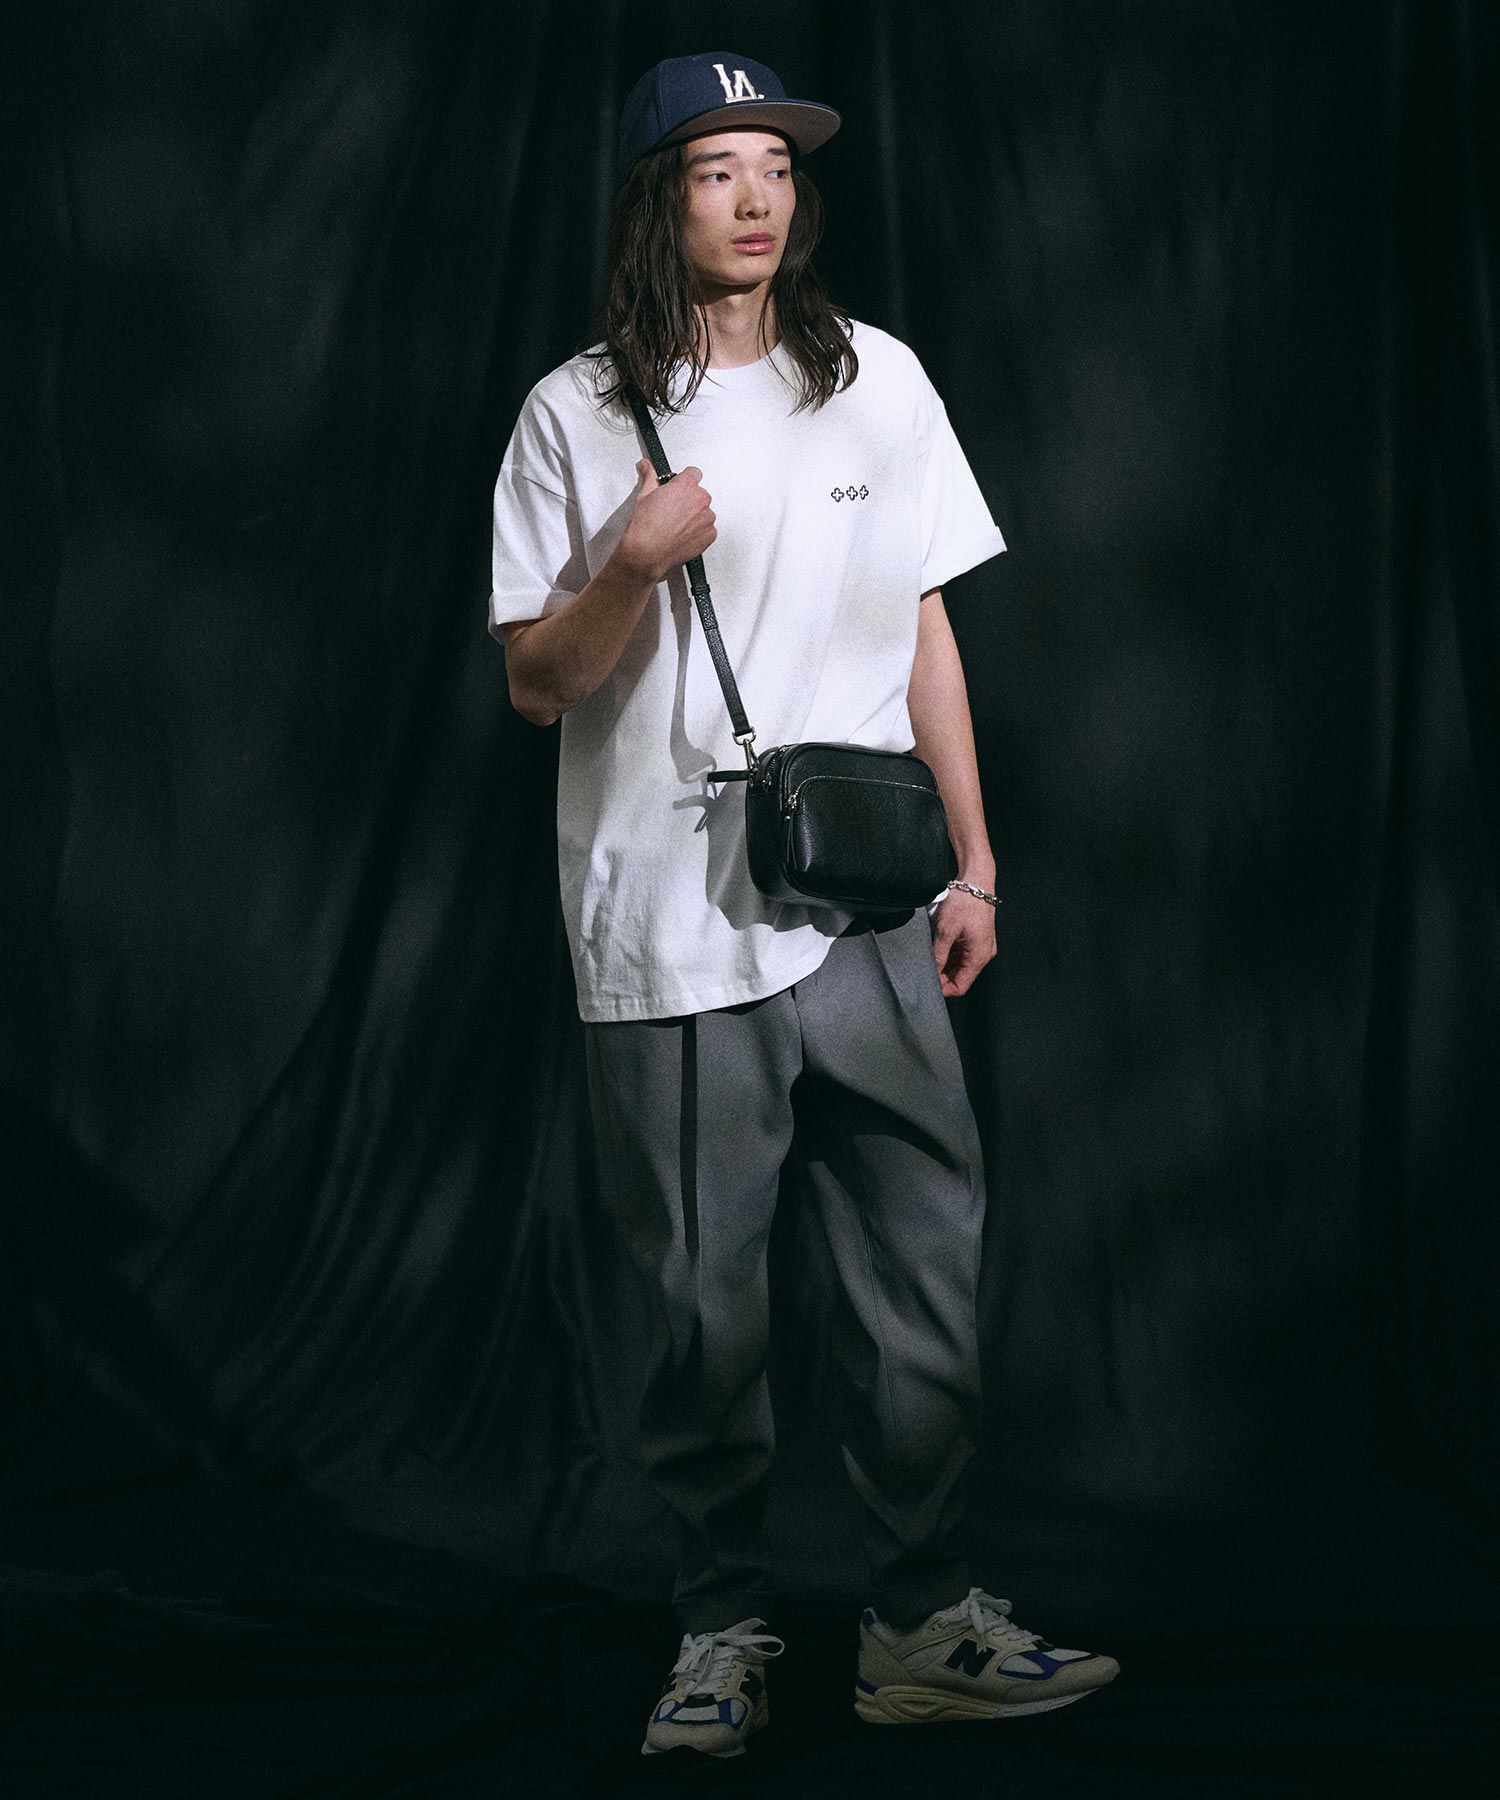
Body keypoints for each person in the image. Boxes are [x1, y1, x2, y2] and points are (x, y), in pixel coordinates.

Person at [488, 50, 1118, 1761]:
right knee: (705, 1312)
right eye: (717, 169)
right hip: (675, 925)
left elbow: (925, 628)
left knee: (926, 1270)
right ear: (660, 200)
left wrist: (976, 861)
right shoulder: (576, 412)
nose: (755, 196)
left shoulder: (877, 380)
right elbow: (537, 684)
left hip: (867, 906)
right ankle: (718, 1630)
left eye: (774, 165)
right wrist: (629, 562)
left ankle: (919, 1621)